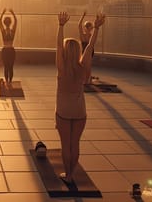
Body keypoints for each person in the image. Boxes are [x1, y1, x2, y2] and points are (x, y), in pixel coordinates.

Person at [56, 11, 105, 184]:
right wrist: (97, 29)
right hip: (79, 112)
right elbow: (90, 46)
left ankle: (67, 174)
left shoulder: (61, 69)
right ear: (78, 51)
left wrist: (61, 26)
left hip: (63, 111)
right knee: (75, 144)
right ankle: (71, 175)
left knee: (65, 145)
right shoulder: (82, 66)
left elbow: (58, 47)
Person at [0, 8, 17, 86]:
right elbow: (16, 21)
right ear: (9, 23)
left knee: (7, 66)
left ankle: (8, 81)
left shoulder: (4, 31)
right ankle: (9, 81)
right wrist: (12, 13)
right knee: (10, 67)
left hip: (5, 50)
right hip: (10, 50)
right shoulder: (12, 31)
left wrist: (2, 13)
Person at [78, 11, 95, 84]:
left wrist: (83, 16)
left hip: (89, 51)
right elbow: (79, 25)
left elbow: (79, 25)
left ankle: (88, 78)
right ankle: (87, 78)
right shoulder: (86, 35)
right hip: (86, 51)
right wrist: (83, 16)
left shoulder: (89, 35)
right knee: (86, 65)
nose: (90, 29)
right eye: (90, 28)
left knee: (87, 65)